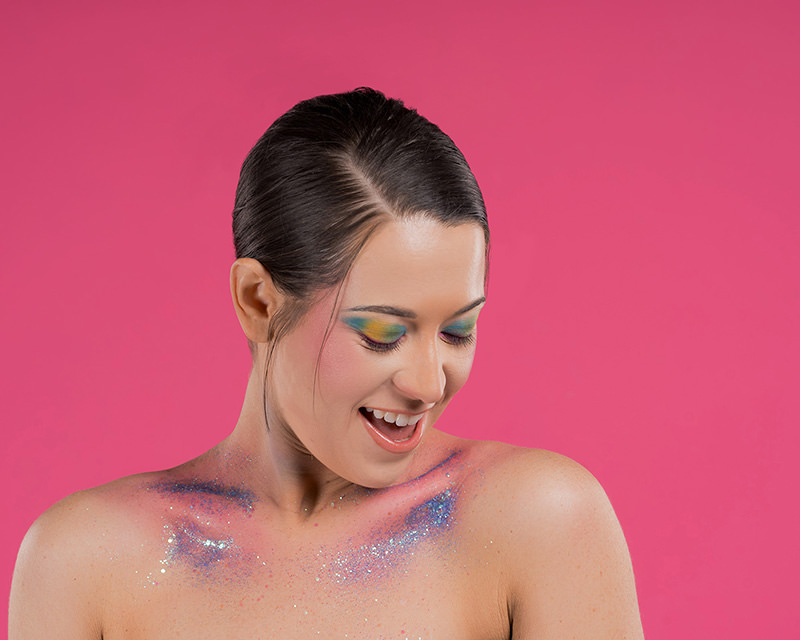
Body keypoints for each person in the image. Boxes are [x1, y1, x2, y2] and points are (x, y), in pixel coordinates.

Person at [10, 88, 644, 639]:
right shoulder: (86, 562)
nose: (426, 383)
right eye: (381, 334)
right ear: (259, 301)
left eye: (458, 330)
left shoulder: (535, 522)